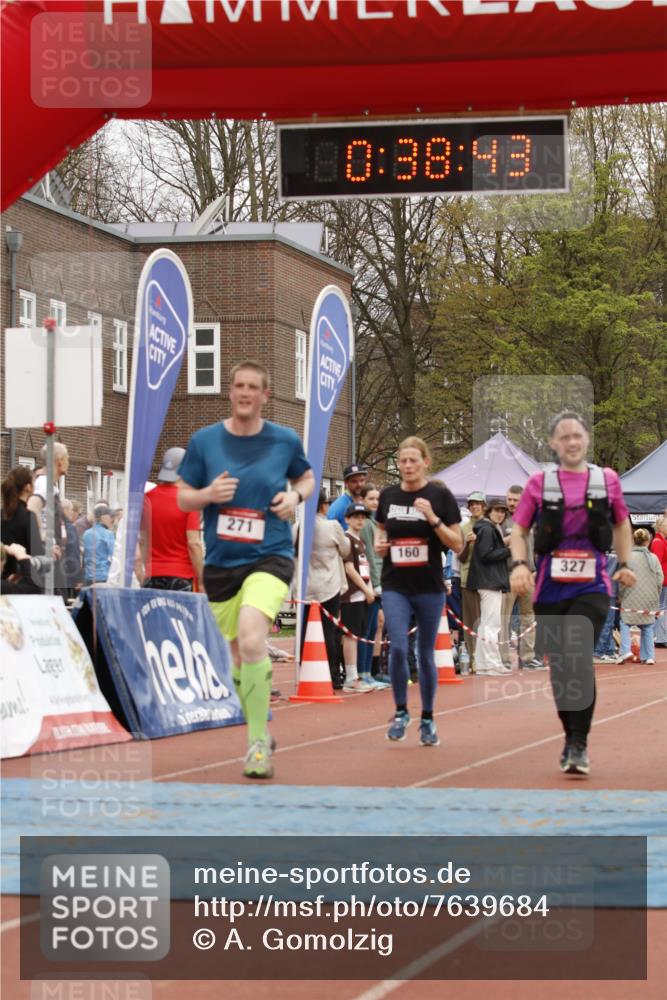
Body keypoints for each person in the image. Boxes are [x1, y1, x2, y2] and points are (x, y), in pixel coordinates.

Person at [178, 360, 315, 780]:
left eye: (253, 387)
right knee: (237, 655)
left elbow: (308, 479)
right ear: (230, 392)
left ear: (265, 395)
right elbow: (183, 499)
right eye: (238, 385)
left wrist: (295, 496)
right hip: (221, 563)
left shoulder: (283, 440)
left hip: (270, 555)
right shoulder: (205, 442)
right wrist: (208, 493)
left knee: (254, 636)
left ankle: (257, 745)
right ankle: (258, 724)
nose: (244, 393)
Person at [510, 411, 636, 777]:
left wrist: (625, 562)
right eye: (563, 436)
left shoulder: (606, 480)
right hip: (550, 589)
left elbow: (621, 523)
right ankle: (571, 735)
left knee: (578, 657)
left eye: (577, 435)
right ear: (553, 443)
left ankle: (579, 743)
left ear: (586, 440)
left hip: (592, 584)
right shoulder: (538, 483)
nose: (571, 441)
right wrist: (520, 566)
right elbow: (518, 531)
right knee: (562, 668)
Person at [376, 436, 463, 746]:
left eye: (414, 460)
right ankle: (401, 712)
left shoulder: (439, 497)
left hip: (429, 586)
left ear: (426, 462)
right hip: (395, 584)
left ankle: (427, 717)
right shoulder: (388, 496)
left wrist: (432, 518)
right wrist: (380, 547)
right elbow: (382, 533)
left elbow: (457, 543)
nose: (408, 466)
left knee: (425, 654)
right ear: (398, 464)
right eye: (403, 460)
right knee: (398, 646)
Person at [297, 489, 351, 689]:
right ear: (323, 506)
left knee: (306, 631)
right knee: (328, 631)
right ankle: (329, 674)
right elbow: (346, 550)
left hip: (306, 586)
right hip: (328, 585)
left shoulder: (299, 527)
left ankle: (306, 671)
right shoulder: (332, 526)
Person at [139, 447, 203, 592]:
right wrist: (201, 578)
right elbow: (194, 543)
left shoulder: (146, 500)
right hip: (181, 575)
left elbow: (143, 541)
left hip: (152, 574)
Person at [467, 498, 511, 676]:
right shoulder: (487, 529)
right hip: (490, 581)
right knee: (492, 624)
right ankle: (492, 663)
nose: (500, 514)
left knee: (487, 623)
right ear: (489, 511)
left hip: (488, 580)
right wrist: (509, 550)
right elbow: (486, 555)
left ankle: (484, 663)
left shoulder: (487, 528)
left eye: (502, 511)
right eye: (496, 510)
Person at [501, 485, 541, 670]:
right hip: (508, 575)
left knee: (528, 617)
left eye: (515, 500)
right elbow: (494, 545)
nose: (511, 503)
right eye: (509, 499)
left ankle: (527, 657)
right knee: (505, 618)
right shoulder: (501, 520)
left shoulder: (532, 521)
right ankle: (503, 659)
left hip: (529, 574)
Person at [340, 501, 376, 692]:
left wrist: (369, 589)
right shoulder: (347, 539)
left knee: (357, 634)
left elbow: (365, 568)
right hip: (352, 594)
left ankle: (354, 676)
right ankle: (351, 677)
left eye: (363, 518)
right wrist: (365, 589)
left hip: (362, 594)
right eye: (356, 517)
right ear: (347, 519)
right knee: (350, 635)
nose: (360, 520)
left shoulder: (360, 541)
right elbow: (349, 568)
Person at [616, 528, 662, 665]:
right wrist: (656, 593)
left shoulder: (627, 557)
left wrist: (621, 595)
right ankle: (649, 656)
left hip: (630, 595)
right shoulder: (653, 558)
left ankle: (625, 650)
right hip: (649, 596)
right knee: (648, 626)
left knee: (624, 623)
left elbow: (622, 579)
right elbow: (660, 578)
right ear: (648, 541)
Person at [358, 482, 388, 687]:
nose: (375, 503)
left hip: (381, 581)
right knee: (367, 630)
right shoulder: (368, 525)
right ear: (362, 501)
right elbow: (370, 555)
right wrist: (376, 585)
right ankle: (364, 672)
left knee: (375, 628)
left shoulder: (379, 524)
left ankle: (370, 671)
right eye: (371, 499)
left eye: (378, 499)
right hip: (372, 583)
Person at [1, 466, 45, 587]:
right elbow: (37, 556)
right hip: (21, 583)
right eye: (33, 481)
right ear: (27, 487)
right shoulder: (28, 516)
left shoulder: (2, 514)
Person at [458, 491, 486, 673]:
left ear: (484, 506)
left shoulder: (490, 526)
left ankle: (489, 656)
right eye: (472, 504)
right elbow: (460, 557)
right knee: (471, 620)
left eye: (478, 504)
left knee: (489, 620)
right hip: (468, 577)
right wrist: (467, 544)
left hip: (488, 579)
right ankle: (473, 656)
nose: (475, 507)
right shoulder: (464, 527)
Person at [82, 503, 116, 585]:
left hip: (88, 576)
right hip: (103, 576)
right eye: (110, 517)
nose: (112, 519)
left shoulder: (86, 533)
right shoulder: (108, 534)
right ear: (103, 517)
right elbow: (113, 555)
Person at [328, 463, 369, 529]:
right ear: (346, 483)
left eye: (362, 480)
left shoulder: (368, 503)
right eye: (354, 481)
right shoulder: (339, 506)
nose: (359, 484)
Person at [60, 498, 83, 598]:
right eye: (71, 510)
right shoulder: (70, 528)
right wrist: (78, 578)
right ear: (65, 510)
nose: (72, 513)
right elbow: (73, 554)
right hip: (67, 578)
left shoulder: (50, 525)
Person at [650, 516, 667, 647]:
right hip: (663, 581)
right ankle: (660, 638)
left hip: (663, 580)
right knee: (662, 608)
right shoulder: (659, 543)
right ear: (661, 527)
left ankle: (659, 636)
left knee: (662, 608)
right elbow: (657, 564)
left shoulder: (659, 541)